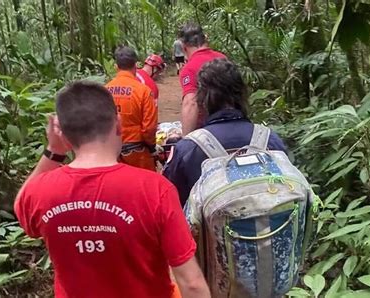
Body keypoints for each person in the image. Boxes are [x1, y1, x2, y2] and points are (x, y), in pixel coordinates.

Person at [14, 81, 211, 298]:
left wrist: (53, 150)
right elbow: (191, 283)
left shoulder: (42, 191)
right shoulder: (154, 189)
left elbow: (21, 205)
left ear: (65, 136)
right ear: (118, 124)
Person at [164, 59, 287, 206]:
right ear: (242, 94)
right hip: (269, 227)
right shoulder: (269, 140)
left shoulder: (188, 149)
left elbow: (171, 202)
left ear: (203, 99)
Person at [105, 46, 158, 171]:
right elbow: (149, 128)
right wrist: (152, 147)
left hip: (111, 154)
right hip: (138, 154)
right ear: (135, 66)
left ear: (116, 67)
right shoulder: (143, 91)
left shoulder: (104, 91)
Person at [178, 22, 226, 135]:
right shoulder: (223, 58)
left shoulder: (189, 68)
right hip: (230, 122)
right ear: (205, 40)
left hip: (207, 129)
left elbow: (191, 103)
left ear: (184, 47)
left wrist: (186, 140)